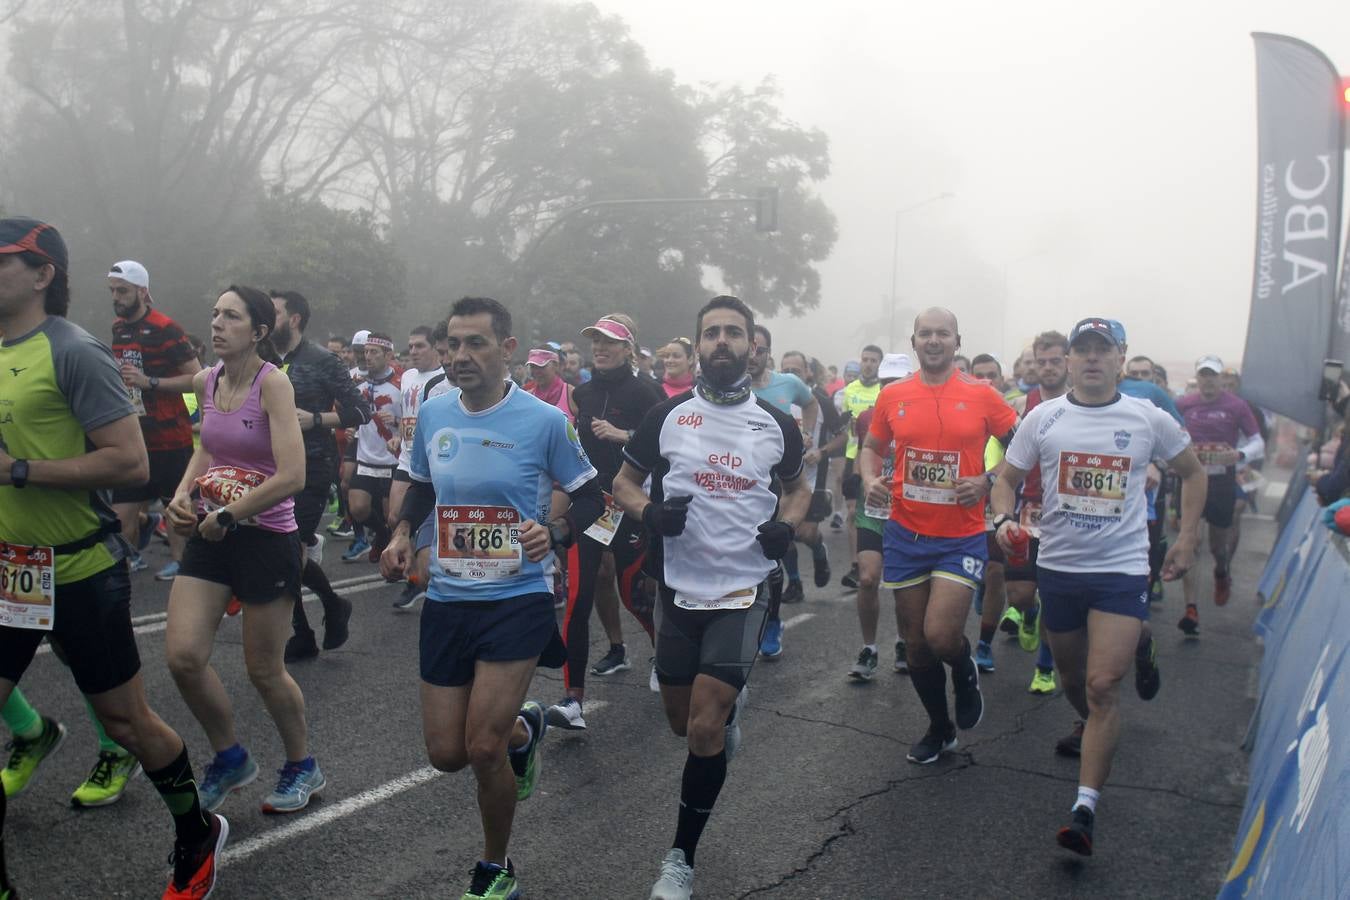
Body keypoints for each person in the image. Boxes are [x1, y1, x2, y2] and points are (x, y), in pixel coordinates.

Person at [0, 217, 225, 900]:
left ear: (43, 275)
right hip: (11, 572)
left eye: (4, 258)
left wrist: (18, 472)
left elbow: (127, 460)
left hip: (78, 571)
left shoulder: (73, 351)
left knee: (128, 723)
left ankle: (195, 830)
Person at [379, 296, 604, 900]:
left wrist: (552, 532)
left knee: (481, 748)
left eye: (475, 343)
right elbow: (423, 485)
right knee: (447, 753)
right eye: (453, 344)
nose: (459, 356)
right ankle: (524, 734)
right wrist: (402, 533)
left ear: (506, 349)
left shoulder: (543, 421)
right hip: (449, 599)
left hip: (518, 597)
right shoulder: (434, 412)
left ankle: (495, 864)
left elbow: (589, 496)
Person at [611, 294, 809, 900]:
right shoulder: (668, 417)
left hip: (744, 590)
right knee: (682, 723)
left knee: (702, 730)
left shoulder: (777, 424)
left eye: (733, 332)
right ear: (698, 346)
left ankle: (680, 860)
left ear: (753, 346)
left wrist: (788, 525)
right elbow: (623, 482)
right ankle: (723, 720)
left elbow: (800, 490)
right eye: (712, 333)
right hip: (678, 589)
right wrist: (649, 512)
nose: (722, 341)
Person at [991, 315, 1205, 855]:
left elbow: (1194, 472)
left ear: (1119, 357)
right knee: (1072, 680)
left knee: (1102, 685)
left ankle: (1083, 809)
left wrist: (1185, 539)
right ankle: (1108, 705)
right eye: (1081, 349)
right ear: (1068, 360)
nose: (1090, 358)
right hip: (1059, 569)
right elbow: (1006, 481)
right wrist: (1003, 521)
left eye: (1100, 350)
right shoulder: (1043, 417)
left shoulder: (1147, 418)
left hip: (1121, 571)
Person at [163, 285, 321, 815]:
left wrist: (229, 514)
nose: (217, 323)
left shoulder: (272, 384)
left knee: (263, 669)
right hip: (213, 531)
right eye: (213, 313)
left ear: (258, 331)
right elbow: (207, 446)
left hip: (266, 538)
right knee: (183, 657)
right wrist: (183, 495)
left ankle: (303, 765)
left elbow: (293, 475)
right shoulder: (207, 380)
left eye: (231, 316)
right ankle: (230, 757)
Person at [859, 308, 1018, 765]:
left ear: (956, 341)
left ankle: (965, 670)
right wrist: (871, 477)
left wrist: (988, 481)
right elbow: (872, 448)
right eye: (925, 334)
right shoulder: (895, 395)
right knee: (916, 645)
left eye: (942, 334)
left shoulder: (982, 394)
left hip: (961, 535)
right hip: (905, 532)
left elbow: (1021, 446)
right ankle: (939, 727)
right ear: (914, 341)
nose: (933, 341)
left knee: (942, 636)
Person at [546, 315, 663, 728]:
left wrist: (625, 435)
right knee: (577, 600)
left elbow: (669, 449)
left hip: (631, 505)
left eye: (610, 342)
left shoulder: (648, 392)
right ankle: (572, 700)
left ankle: (663, 655)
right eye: (595, 340)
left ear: (628, 348)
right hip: (592, 505)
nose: (600, 347)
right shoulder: (585, 393)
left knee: (635, 597)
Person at [270, 291, 371, 661]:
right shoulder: (262, 358)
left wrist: (315, 420)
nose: (266, 318)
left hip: (312, 465)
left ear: (294, 318)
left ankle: (301, 632)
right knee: (280, 553)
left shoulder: (322, 360)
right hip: (271, 466)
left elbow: (361, 411)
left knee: (288, 551)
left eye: (274, 312)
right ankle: (331, 604)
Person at [108, 260, 203, 581]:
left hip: (170, 438)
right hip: (133, 436)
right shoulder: (118, 328)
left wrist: (150, 382)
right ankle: (120, 568)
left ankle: (184, 565)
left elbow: (197, 378)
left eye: (122, 291)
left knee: (174, 509)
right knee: (120, 515)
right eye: (113, 291)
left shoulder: (166, 328)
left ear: (142, 292)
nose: (116, 297)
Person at [1175, 355, 1263, 635]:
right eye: (1203, 375)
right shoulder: (1184, 404)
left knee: (1217, 547)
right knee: (1192, 541)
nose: (1208, 380)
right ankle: (1191, 609)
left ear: (1221, 378)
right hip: (1190, 478)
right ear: (1197, 378)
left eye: (1212, 375)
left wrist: (1238, 455)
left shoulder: (1236, 406)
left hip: (1222, 481)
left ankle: (1222, 571)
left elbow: (1257, 441)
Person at [745, 325, 818, 657]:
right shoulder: (730, 386)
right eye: (749, 348)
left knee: (771, 552)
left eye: (759, 350)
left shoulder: (787, 383)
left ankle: (772, 621)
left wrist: (807, 435)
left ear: (768, 353)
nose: (753, 356)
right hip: (736, 480)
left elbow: (811, 403)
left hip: (777, 482)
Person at [845, 352, 912, 680]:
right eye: (886, 382)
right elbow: (864, 453)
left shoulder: (921, 416)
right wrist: (862, 480)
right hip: (873, 508)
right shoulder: (867, 416)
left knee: (901, 584)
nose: (891, 387)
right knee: (869, 578)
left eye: (897, 381)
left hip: (908, 512)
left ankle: (903, 642)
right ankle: (869, 648)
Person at [388, 326, 444, 609]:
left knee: (421, 521)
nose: (413, 352)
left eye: (420, 346)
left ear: (435, 348)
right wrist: (399, 434)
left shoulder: (445, 379)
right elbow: (405, 414)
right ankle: (414, 573)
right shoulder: (408, 376)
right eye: (410, 346)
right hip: (407, 456)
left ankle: (421, 579)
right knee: (396, 518)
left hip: (433, 463)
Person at [342, 333, 402, 563]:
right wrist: (352, 429)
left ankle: (398, 560)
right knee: (357, 508)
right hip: (365, 456)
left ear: (388, 355)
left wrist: (396, 423)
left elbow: (413, 419)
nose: (367, 356)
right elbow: (355, 415)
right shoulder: (359, 385)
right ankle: (382, 534)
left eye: (374, 352)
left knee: (393, 516)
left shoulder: (402, 384)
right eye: (365, 351)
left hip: (392, 459)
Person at [837, 345, 884, 591]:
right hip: (852, 456)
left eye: (873, 360)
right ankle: (856, 565)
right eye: (865, 359)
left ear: (880, 364)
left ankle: (880, 556)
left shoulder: (884, 389)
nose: (868, 364)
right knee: (854, 512)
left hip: (880, 459)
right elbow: (845, 428)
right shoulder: (849, 390)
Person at [523, 346, 575, 420]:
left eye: (542, 366)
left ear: (556, 365)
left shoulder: (570, 394)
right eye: (533, 367)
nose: (536, 372)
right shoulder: (528, 397)